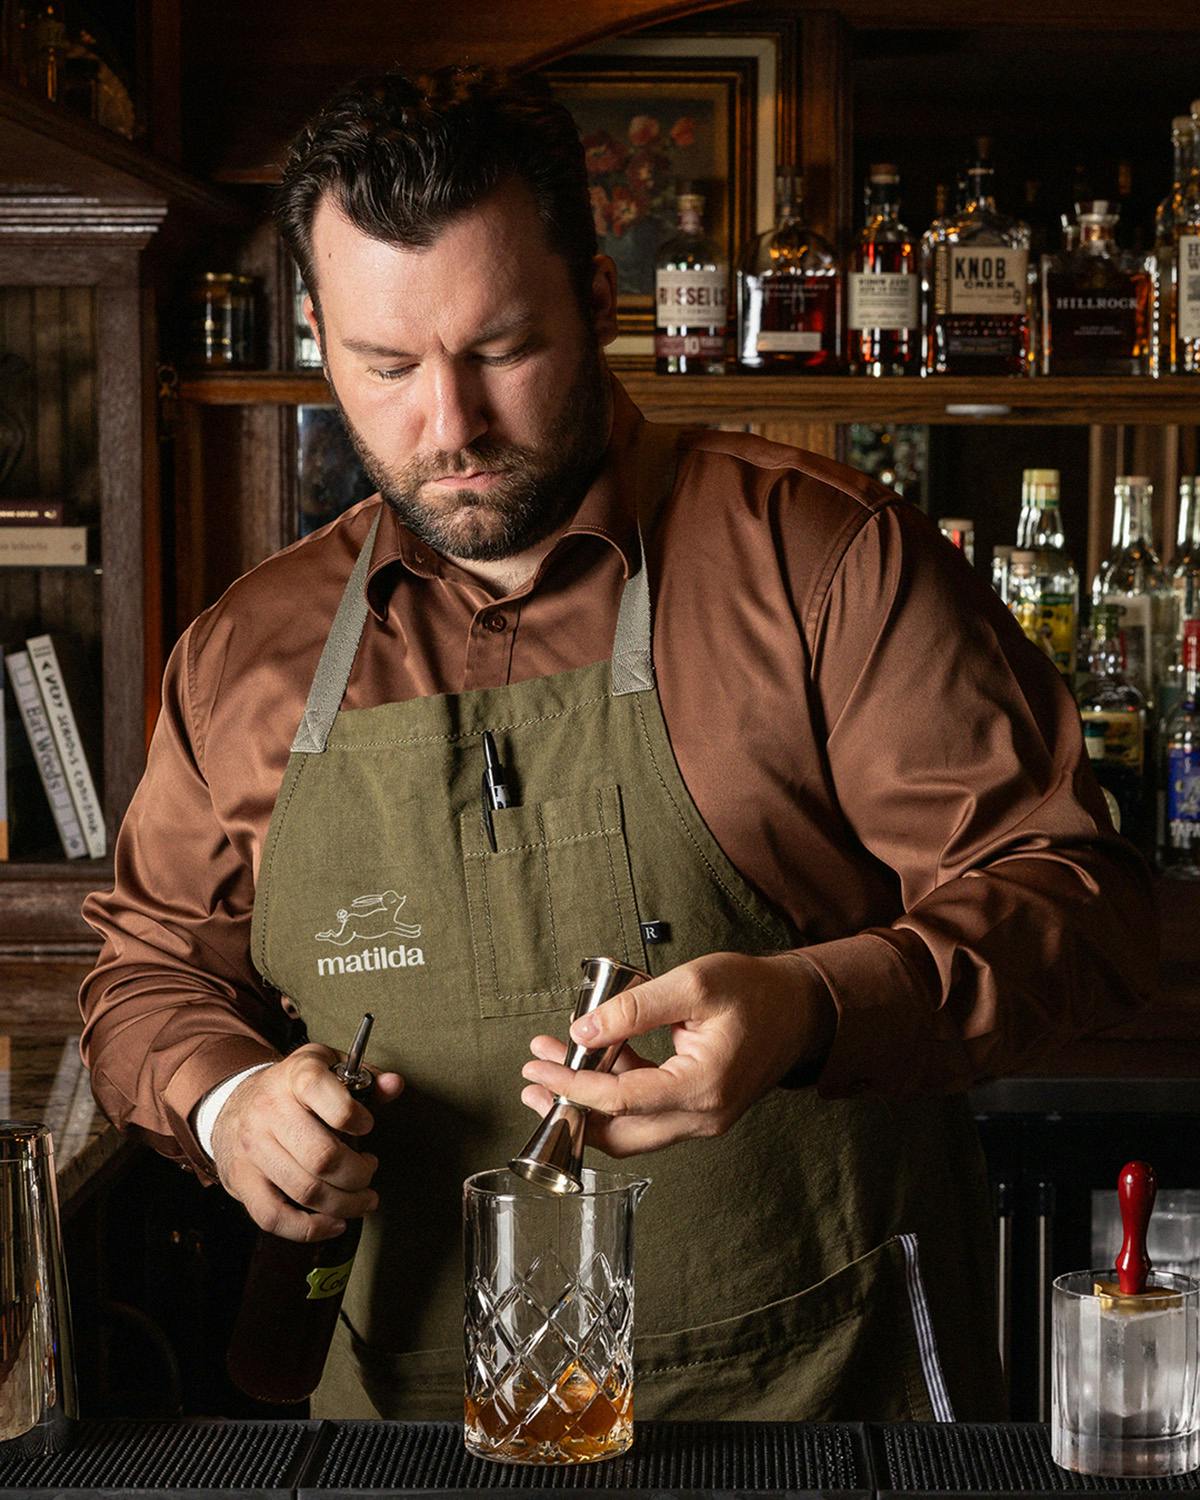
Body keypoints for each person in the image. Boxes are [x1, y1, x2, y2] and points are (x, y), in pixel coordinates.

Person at [80, 66, 1154, 1424]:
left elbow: (1084, 904)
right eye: (386, 366)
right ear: (318, 336)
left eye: (501, 349)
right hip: (413, 1430)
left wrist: (814, 1008)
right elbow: (145, 972)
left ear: (597, 307)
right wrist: (230, 1100)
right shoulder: (246, 656)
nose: (447, 426)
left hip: (824, 1406)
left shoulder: (819, 562)